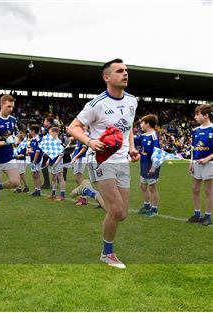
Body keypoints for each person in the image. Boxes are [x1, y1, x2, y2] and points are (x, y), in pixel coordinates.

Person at [67, 58, 140, 269]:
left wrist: (132, 148)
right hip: (101, 161)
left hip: (122, 162)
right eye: (119, 71)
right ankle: (107, 253)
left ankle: (88, 191)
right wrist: (90, 141)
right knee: (115, 210)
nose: (125, 74)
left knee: (122, 214)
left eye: (126, 70)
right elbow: (73, 127)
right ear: (107, 77)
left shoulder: (132, 101)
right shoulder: (96, 104)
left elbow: (129, 128)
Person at [187, 104, 213, 226]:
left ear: (206, 115)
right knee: (195, 189)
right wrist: (191, 162)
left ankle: (207, 216)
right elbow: (193, 148)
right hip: (197, 163)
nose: (195, 117)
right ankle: (197, 215)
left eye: (198, 114)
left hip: (210, 163)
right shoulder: (195, 130)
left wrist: (208, 158)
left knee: (208, 191)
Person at [135, 114, 161, 217]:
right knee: (143, 186)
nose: (140, 124)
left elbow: (157, 152)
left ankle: (154, 209)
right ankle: (146, 206)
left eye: (142, 122)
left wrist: (154, 166)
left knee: (152, 187)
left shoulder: (154, 136)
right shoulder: (143, 136)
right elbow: (133, 141)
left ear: (148, 124)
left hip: (152, 165)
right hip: (143, 164)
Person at [44, 126, 66, 201]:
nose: (50, 135)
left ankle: (62, 195)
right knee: (53, 178)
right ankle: (53, 194)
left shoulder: (59, 141)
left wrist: (56, 162)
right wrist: (48, 161)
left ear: (55, 133)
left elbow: (61, 154)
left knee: (60, 177)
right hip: (52, 161)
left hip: (58, 162)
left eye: (51, 133)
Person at [70, 136, 89, 205]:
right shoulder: (78, 138)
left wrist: (76, 156)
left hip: (80, 159)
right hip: (78, 159)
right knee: (78, 179)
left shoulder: (83, 136)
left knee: (79, 179)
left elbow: (84, 148)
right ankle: (82, 197)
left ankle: (84, 198)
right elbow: (78, 148)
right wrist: (73, 154)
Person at [28, 125, 43, 197]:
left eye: (30, 130)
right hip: (32, 159)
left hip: (37, 160)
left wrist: (34, 160)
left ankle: (38, 190)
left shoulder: (38, 139)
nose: (30, 132)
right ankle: (36, 189)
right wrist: (29, 152)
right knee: (34, 175)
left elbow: (38, 151)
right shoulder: (33, 139)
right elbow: (32, 150)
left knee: (37, 174)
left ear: (33, 131)